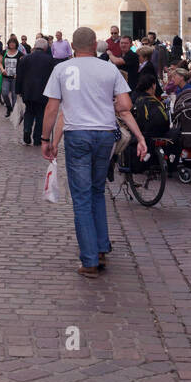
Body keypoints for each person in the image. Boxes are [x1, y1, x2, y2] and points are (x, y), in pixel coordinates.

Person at [41, 27, 146, 278]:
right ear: (96, 45)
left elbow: (52, 109)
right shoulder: (109, 68)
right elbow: (125, 105)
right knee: (97, 191)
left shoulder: (62, 70)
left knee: (81, 197)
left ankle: (89, 260)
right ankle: (100, 247)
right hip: (105, 134)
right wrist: (140, 137)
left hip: (78, 134)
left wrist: (47, 139)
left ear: (73, 47)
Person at [16, 37, 55, 145]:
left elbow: (19, 76)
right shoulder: (50, 60)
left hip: (28, 91)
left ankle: (27, 130)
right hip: (43, 91)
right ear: (45, 47)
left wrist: (18, 90)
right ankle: (37, 138)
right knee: (40, 114)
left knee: (29, 112)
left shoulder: (25, 59)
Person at [0, 35, 22, 114]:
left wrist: (19, 73)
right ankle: (9, 107)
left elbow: (22, 65)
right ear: (8, 44)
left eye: (13, 43)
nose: (12, 44)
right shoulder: (4, 52)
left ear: (16, 44)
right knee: (4, 93)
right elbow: (0, 63)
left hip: (15, 78)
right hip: (6, 77)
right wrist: (2, 70)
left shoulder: (20, 54)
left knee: (14, 95)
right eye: (10, 43)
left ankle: (14, 112)